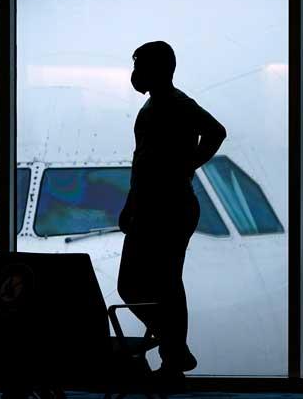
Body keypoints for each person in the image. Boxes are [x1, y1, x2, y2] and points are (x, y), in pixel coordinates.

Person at [117, 40, 227, 379]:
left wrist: (188, 165)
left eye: (139, 66)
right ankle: (174, 349)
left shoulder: (179, 105)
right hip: (150, 206)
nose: (135, 73)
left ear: (158, 69)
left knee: (158, 284)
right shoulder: (151, 108)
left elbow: (217, 132)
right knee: (141, 285)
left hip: (170, 207)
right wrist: (131, 203)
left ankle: (173, 354)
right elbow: (141, 162)